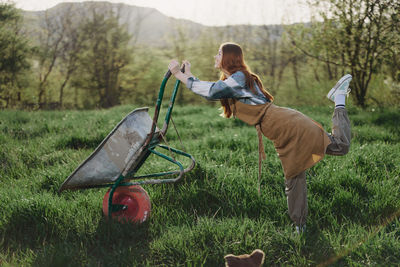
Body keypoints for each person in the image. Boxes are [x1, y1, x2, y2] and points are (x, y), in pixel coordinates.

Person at [168, 42, 351, 234]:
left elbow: (212, 91)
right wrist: (187, 75)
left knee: (306, 166)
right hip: (282, 125)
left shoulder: (239, 77)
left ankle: (339, 97)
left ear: (229, 58)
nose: (215, 56)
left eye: (219, 53)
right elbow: (212, 89)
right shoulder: (234, 80)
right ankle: (299, 225)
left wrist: (179, 75)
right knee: (301, 169)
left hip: (287, 124)